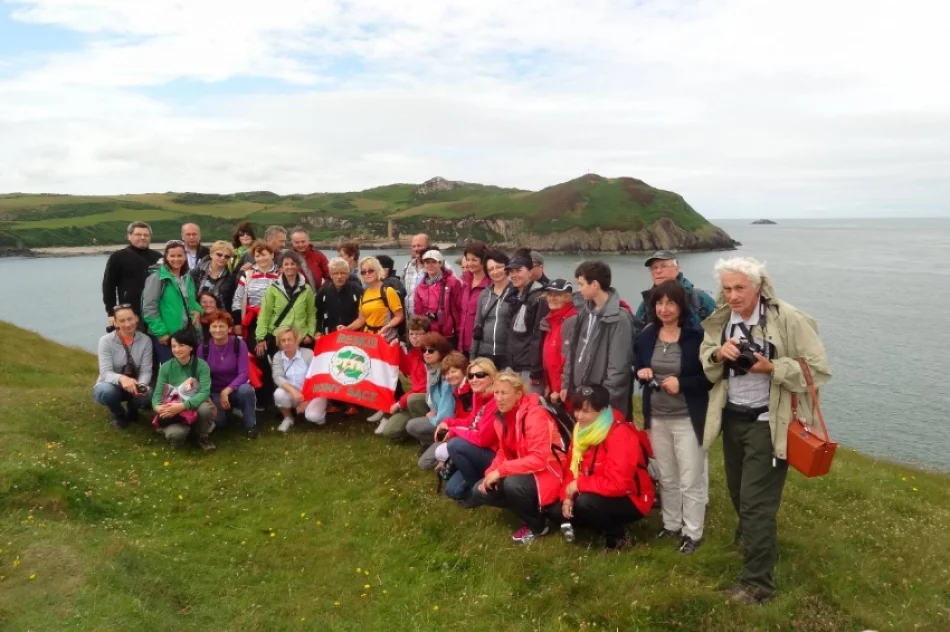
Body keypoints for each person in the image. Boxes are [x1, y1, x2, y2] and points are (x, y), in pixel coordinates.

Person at [701, 257, 830, 604]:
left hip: (768, 424)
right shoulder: (722, 318)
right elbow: (705, 355)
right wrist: (718, 355)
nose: (733, 295)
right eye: (727, 288)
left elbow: (817, 370)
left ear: (758, 287)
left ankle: (758, 586)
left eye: (740, 287)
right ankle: (756, 543)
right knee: (738, 494)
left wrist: (771, 367)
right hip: (732, 419)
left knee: (757, 505)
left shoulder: (787, 318)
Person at [634, 280, 710, 554]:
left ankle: (693, 533)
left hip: (688, 418)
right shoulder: (646, 336)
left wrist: (683, 384)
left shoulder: (696, 337)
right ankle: (671, 524)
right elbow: (639, 365)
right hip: (657, 417)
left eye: (670, 303)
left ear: (681, 306)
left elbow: (710, 378)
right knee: (667, 475)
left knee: (690, 477)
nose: (664, 309)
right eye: (659, 303)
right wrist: (641, 372)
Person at [548, 384, 655, 550]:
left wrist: (579, 485)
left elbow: (617, 485)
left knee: (586, 503)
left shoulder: (620, 435)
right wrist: (566, 498)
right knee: (556, 510)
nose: (579, 416)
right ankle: (595, 524)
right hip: (595, 490)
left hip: (631, 497)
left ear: (602, 410)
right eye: (576, 410)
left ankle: (617, 538)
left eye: (586, 411)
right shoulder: (580, 431)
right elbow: (572, 469)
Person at [471, 370, 567, 543]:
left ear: (518, 393)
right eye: (496, 392)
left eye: (504, 393)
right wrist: (490, 473)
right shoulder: (501, 417)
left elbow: (539, 459)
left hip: (549, 471)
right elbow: (503, 452)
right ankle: (530, 509)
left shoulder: (535, 414)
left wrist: (501, 472)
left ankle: (538, 525)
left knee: (512, 484)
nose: (499, 398)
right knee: (479, 490)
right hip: (525, 469)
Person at [560, 261, 635, 419]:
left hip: (602, 405)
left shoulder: (619, 319)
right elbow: (573, 352)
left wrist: (598, 401)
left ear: (594, 284)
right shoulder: (584, 314)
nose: (578, 289)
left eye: (581, 284)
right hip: (583, 398)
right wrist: (567, 384)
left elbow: (618, 368)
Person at [439, 357, 500, 500]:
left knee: (454, 445)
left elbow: (483, 439)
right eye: (471, 376)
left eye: (480, 375)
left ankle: (480, 494)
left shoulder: (496, 400)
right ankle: (478, 476)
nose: (474, 379)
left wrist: (455, 431)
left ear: (492, 377)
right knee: (452, 491)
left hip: (495, 455)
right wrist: (448, 422)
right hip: (479, 450)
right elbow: (472, 421)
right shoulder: (478, 394)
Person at [151, 328, 216, 451]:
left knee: (205, 408)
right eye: (173, 346)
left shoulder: (201, 365)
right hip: (172, 407)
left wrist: (183, 406)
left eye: (181, 345)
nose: (177, 349)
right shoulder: (165, 367)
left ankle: (203, 436)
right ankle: (179, 433)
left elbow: (204, 392)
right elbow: (157, 396)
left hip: (192, 405)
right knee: (176, 435)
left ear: (191, 347)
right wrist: (160, 409)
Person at [198, 310, 258, 439]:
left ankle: (250, 425)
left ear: (229, 328)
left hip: (235, 389)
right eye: (214, 326)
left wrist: (226, 391)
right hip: (213, 391)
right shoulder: (203, 348)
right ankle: (227, 411)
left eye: (222, 326)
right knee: (221, 423)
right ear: (209, 329)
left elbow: (244, 373)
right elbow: (201, 377)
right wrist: (208, 398)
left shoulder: (239, 344)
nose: (218, 330)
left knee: (247, 390)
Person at [142, 240, 202, 364]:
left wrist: (198, 310)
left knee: (188, 370)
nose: (176, 259)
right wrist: (161, 332)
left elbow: (191, 300)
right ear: (166, 257)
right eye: (172, 256)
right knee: (170, 371)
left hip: (186, 333)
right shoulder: (157, 278)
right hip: (167, 335)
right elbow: (149, 308)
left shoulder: (187, 277)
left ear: (185, 257)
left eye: (180, 255)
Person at [93, 304, 153, 429]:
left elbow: (146, 370)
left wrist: (141, 385)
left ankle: (133, 410)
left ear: (136, 318)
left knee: (148, 393)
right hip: (111, 385)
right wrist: (122, 379)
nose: (127, 324)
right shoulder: (106, 341)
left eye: (130, 319)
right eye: (122, 320)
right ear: (115, 323)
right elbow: (105, 373)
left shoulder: (146, 340)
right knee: (107, 392)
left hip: (134, 385)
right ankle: (119, 414)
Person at [634, 250, 716, 336]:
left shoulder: (698, 298)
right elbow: (637, 335)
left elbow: (719, 328)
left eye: (663, 266)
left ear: (677, 269)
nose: (658, 271)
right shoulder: (646, 304)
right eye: (654, 268)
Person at [396, 334, 456, 447]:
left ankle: (439, 440)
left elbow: (447, 413)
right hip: (436, 410)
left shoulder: (447, 375)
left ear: (441, 351)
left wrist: (433, 417)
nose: (426, 353)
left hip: (447, 420)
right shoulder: (430, 368)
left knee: (411, 426)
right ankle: (427, 440)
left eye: (431, 350)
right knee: (413, 400)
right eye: (424, 350)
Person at [377, 316, 432, 436]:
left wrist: (399, 403)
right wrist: (397, 350)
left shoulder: (431, 354)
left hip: (428, 400)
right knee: (390, 431)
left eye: (418, 334)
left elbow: (424, 387)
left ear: (428, 334)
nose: (414, 337)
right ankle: (414, 426)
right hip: (415, 399)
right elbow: (407, 370)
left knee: (413, 400)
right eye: (411, 333)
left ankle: (427, 432)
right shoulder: (414, 353)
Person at [101, 221, 161, 329]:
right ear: (129, 236)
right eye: (138, 234)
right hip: (130, 312)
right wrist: (111, 312)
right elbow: (108, 286)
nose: (143, 237)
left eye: (146, 235)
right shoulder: (118, 257)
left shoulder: (158, 257)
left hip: (156, 311)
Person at [417, 351, 470, 470]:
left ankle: (451, 460)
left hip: (464, 434)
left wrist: (451, 428)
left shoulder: (470, 390)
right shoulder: (458, 389)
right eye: (447, 373)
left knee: (425, 463)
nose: (450, 376)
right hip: (457, 428)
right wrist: (447, 424)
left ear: (464, 370)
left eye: (454, 371)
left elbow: (471, 421)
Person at [256, 250, 316, 354]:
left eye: (293, 264)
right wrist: (260, 338)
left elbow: (311, 314)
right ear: (281, 267)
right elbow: (265, 313)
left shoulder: (306, 289)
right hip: (279, 337)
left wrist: (310, 333)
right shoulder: (273, 288)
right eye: (286, 264)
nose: (290, 267)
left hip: (300, 337)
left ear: (298, 266)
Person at [505, 254, 547, 395]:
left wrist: (535, 371)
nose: (514, 275)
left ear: (530, 272)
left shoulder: (539, 298)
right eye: (511, 272)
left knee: (529, 408)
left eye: (518, 271)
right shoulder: (515, 296)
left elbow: (538, 336)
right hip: (515, 364)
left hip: (529, 368)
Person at [341, 256, 404, 342]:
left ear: (378, 270)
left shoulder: (388, 291)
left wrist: (388, 326)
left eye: (370, 270)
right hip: (369, 340)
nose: (367, 274)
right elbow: (361, 320)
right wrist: (346, 329)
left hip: (386, 338)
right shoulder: (364, 293)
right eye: (363, 272)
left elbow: (399, 316)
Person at [271, 326, 320, 432]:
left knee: (314, 417)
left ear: (296, 340)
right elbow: (277, 377)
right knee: (278, 394)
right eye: (283, 340)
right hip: (294, 394)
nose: (286, 343)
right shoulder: (278, 357)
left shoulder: (308, 353)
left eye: (289, 339)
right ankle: (288, 418)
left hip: (311, 393)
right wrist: (293, 391)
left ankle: (317, 413)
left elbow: (316, 379)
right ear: (279, 343)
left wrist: (306, 400)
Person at [470, 250, 514, 369]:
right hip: (485, 354)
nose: (495, 272)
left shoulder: (516, 292)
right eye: (491, 269)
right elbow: (477, 325)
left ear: (507, 267)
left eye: (499, 267)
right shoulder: (484, 294)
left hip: (508, 355)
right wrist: (472, 357)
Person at [231, 240, 280, 345]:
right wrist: (237, 323)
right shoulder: (247, 274)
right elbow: (238, 299)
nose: (261, 258)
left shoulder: (280, 274)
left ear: (272, 255)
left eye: (264, 255)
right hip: (252, 322)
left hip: (275, 321)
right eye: (257, 256)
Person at [539, 279, 576, 405]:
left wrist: (560, 388)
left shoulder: (571, 320)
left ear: (567, 297)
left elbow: (569, 359)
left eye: (558, 295)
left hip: (566, 392)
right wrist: (549, 384)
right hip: (553, 388)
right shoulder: (552, 319)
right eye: (550, 294)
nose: (552, 298)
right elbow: (550, 358)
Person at [413, 249, 462, 344]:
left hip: (449, 334)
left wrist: (459, 330)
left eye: (434, 262)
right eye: (427, 262)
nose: (430, 265)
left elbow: (460, 307)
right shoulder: (420, 287)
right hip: (429, 334)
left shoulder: (452, 282)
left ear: (440, 263)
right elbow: (418, 312)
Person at [457, 240, 490, 356]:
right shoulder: (464, 282)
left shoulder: (490, 285)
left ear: (483, 261)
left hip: (481, 344)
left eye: (474, 260)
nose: (470, 263)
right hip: (462, 343)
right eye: (468, 259)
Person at [316, 257, 363, 336]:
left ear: (348, 274)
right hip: (330, 334)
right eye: (336, 273)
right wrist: (318, 331)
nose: (339, 276)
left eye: (343, 273)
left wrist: (348, 328)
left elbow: (362, 315)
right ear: (331, 275)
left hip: (353, 334)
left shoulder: (357, 290)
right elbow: (318, 314)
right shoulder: (323, 291)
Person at [191, 240, 237, 311]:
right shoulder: (196, 272)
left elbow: (229, 302)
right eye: (219, 254)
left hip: (218, 316)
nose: (222, 258)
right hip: (196, 312)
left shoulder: (230, 278)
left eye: (226, 256)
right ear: (211, 254)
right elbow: (189, 295)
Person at [402, 233, 431, 315]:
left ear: (428, 247)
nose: (416, 249)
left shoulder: (439, 265)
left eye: (419, 246)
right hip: (410, 320)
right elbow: (403, 289)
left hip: (428, 319)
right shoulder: (408, 266)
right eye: (414, 246)